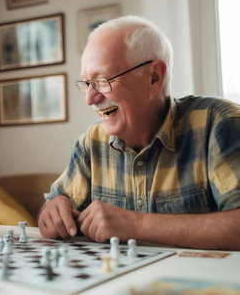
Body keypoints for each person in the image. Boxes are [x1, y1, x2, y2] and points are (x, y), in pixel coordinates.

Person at [38, 16, 240, 250]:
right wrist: (53, 210)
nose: (89, 99)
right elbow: (50, 209)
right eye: (86, 84)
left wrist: (136, 224)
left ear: (154, 77)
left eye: (102, 81)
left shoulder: (219, 124)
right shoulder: (90, 144)